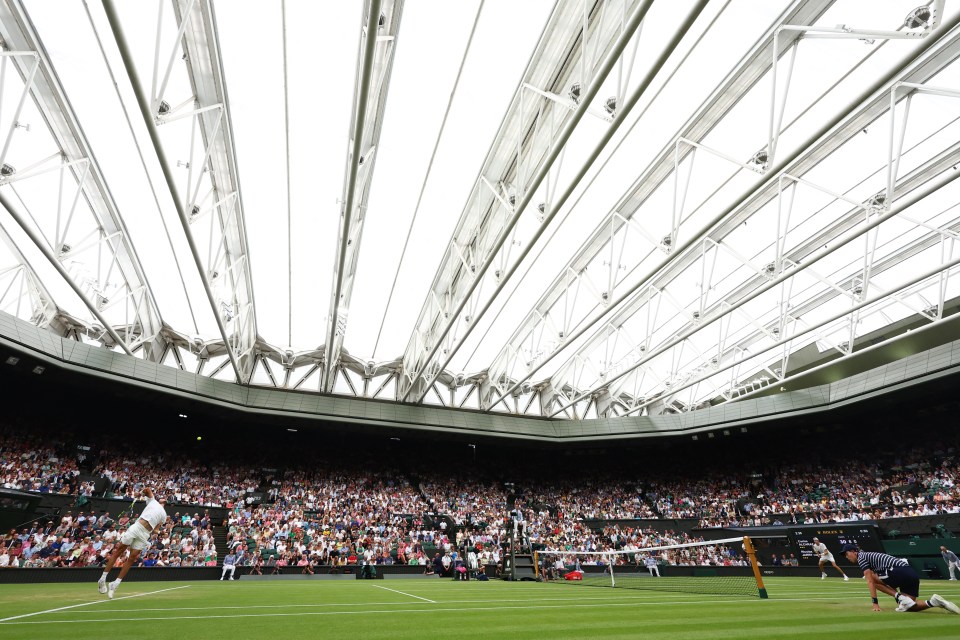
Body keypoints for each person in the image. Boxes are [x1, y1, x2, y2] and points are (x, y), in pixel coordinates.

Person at [841, 543, 960, 613]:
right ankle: (934, 602)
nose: (846, 557)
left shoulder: (862, 557)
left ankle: (899, 596)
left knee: (871, 578)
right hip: (911, 574)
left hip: (897, 571)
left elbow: (870, 581)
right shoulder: (867, 556)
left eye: (847, 554)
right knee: (910, 606)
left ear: (854, 551)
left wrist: (875, 604)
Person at [98, 487, 168, 598]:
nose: (164, 500)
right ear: (160, 500)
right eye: (163, 498)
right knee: (119, 551)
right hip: (137, 527)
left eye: (166, 500)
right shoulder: (152, 501)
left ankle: (115, 584)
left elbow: (156, 530)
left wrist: (159, 532)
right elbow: (147, 489)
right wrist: (139, 493)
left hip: (145, 534)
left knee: (132, 558)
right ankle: (102, 579)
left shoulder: (164, 516)